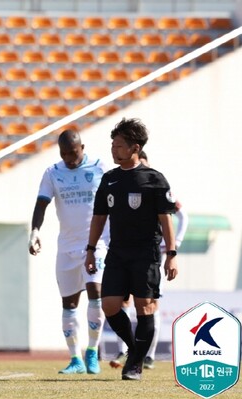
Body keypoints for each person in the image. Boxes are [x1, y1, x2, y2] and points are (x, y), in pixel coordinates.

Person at [85, 118, 178, 381]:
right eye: (113, 145)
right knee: (110, 305)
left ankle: (134, 364)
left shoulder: (154, 179)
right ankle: (136, 350)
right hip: (117, 252)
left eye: (119, 146)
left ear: (135, 148)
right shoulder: (110, 179)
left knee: (144, 307)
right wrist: (90, 250)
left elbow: (166, 219)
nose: (114, 150)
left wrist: (171, 255)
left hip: (145, 253)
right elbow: (99, 217)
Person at [29, 129, 110, 375]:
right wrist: (35, 231)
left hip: (95, 245)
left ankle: (92, 353)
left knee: (95, 293)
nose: (69, 158)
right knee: (69, 303)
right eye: (64, 154)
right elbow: (42, 203)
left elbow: (111, 203)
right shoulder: (53, 172)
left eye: (73, 153)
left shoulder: (98, 168)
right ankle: (75, 359)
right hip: (66, 246)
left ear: (82, 148)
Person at [109, 150, 188, 370]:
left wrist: (174, 245)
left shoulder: (155, 185)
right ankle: (125, 350)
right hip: (123, 252)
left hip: (151, 253)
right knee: (121, 303)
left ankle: (149, 355)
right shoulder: (121, 183)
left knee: (149, 304)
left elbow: (181, 215)